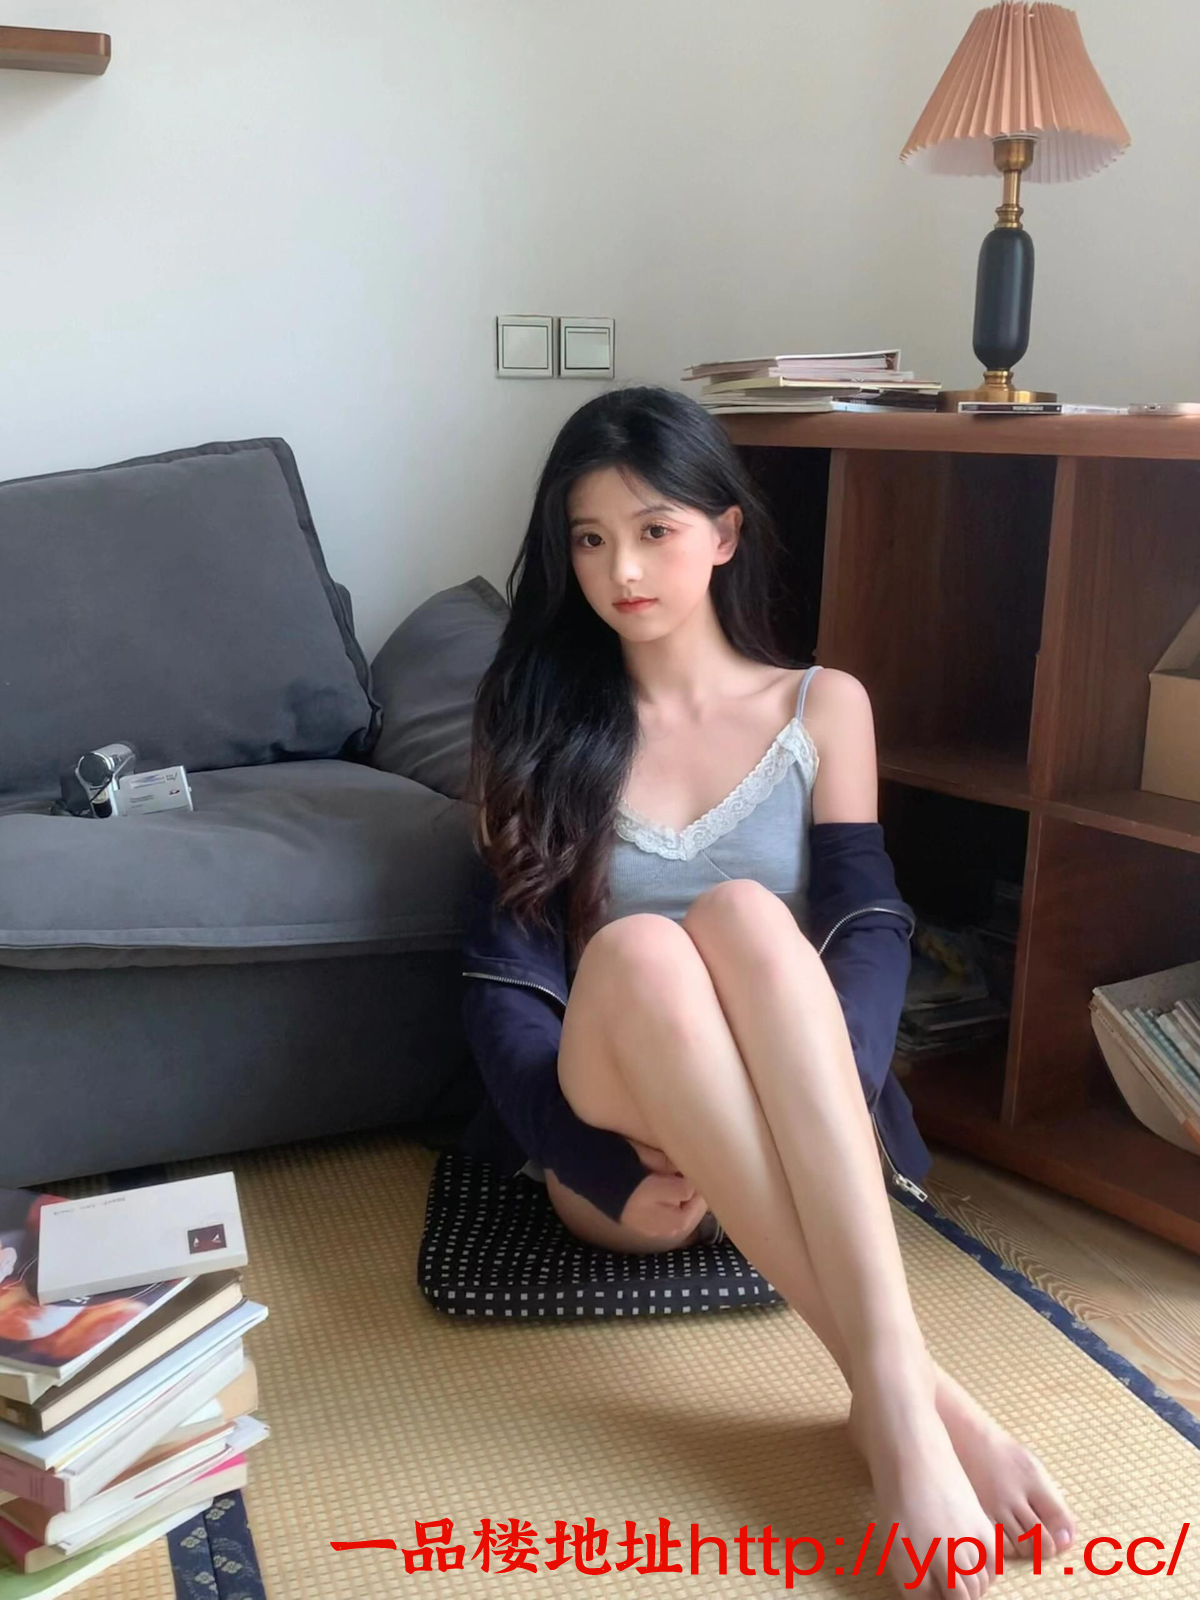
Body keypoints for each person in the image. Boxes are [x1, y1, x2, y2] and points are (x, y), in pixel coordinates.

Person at [458, 385, 1075, 1600]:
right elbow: (502, 984)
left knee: (746, 913)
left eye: (655, 530)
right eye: (590, 539)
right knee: (645, 949)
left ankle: (890, 1403)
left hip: (791, 1114)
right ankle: (917, 1402)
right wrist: (592, 1163)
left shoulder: (821, 706)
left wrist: (829, 1090)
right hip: (623, 1139)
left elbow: (868, 922)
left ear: (725, 531)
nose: (622, 570)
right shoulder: (532, 720)